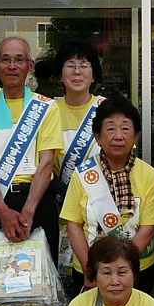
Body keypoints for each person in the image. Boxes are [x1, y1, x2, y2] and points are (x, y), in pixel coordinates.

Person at [0, 36, 63, 260]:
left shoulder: (46, 107)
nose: (12, 66)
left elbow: (47, 163)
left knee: (43, 281)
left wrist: (27, 212)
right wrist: (3, 212)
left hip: (37, 202)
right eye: (5, 60)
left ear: (30, 66)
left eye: (19, 60)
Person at [60, 94, 154, 294]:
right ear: (98, 136)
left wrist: (122, 270)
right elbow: (73, 223)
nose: (118, 136)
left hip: (137, 271)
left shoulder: (149, 175)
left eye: (125, 128)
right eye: (110, 129)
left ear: (135, 136)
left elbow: (149, 227)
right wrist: (91, 269)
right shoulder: (82, 174)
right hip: (89, 270)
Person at [51, 41, 107, 209]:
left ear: (94, 74)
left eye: (84, 66)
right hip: (58, 202)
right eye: (70, 65)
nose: (77, 72)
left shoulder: (108, 110)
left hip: (102, 201)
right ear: (60, 75)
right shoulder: (48, 111)